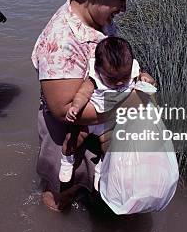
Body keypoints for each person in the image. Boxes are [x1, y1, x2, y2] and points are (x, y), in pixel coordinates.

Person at [31, 0, 154, 211]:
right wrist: (132, 103)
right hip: (66, 132)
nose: (124, 8)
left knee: (94, 180)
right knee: (61, 189)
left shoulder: (99, 20)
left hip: (101, 119)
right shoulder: (62, 39)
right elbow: (64, 111)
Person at [61, 37, 155, 191]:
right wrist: (75, 107)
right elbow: (83, 94)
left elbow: (150, 82)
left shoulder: (133, 72)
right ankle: (67, 159)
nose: (119, 83)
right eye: (112, 78)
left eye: (124, 77)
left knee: (111, 148)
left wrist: (147, 79)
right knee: (73, 139)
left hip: (111, 123)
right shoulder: (95, 77)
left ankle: (102, 166)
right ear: (98, 69)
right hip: (90, 121)